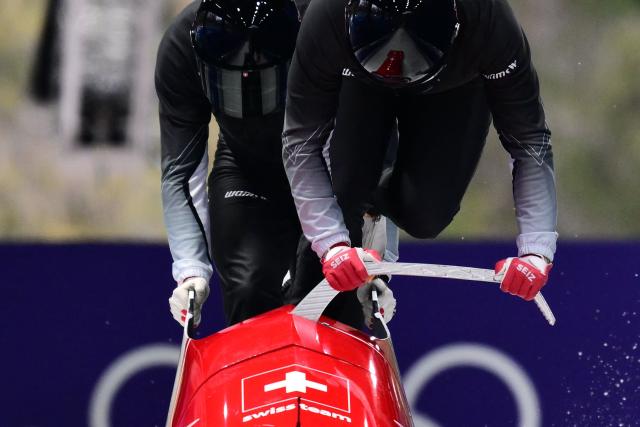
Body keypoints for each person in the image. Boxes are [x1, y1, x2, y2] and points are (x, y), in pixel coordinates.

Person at [282, 0, 558, 300]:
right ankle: (302, 291)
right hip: (357, 78)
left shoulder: (490, 23)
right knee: (344, 191)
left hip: (452, 85)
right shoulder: (326, 16)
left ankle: (378, 202)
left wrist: (536, 251)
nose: (398, 70)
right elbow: (302, 142)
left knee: (426, 216)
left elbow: (528, 141)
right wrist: (331, 244)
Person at [155, 0, 396, 330]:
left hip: (330, 174)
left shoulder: (333, 30)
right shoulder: (181, 49)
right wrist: (190, 271)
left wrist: (376, 261)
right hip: (247, 169)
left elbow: (378, 158)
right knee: (248, 287)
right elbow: (181, 170)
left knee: (328, 296)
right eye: (233, 85)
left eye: (263, 83)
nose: (251, 100)